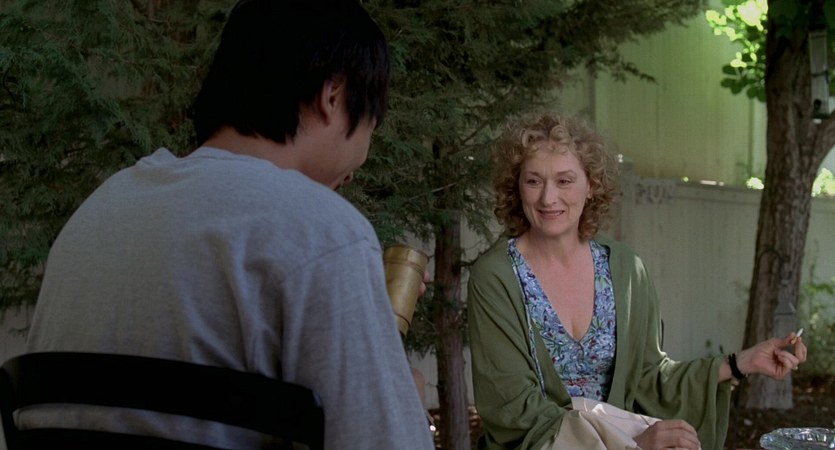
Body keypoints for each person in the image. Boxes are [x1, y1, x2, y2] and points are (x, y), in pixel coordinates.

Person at [21, 1, 435, 449]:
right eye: (372, 124)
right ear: (333, 95)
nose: (358, 164)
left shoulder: (99, 211)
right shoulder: (324, 230)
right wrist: (403, 397)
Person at [466, 112, 807, 450]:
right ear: (517, 187)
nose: (548, 198)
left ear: (591, 185)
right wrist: (629, 444)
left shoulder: (626, 269)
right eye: (533, 181)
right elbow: (513, 408)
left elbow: (649, 378)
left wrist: (740, 363)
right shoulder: (496, 277)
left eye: (565, 180)